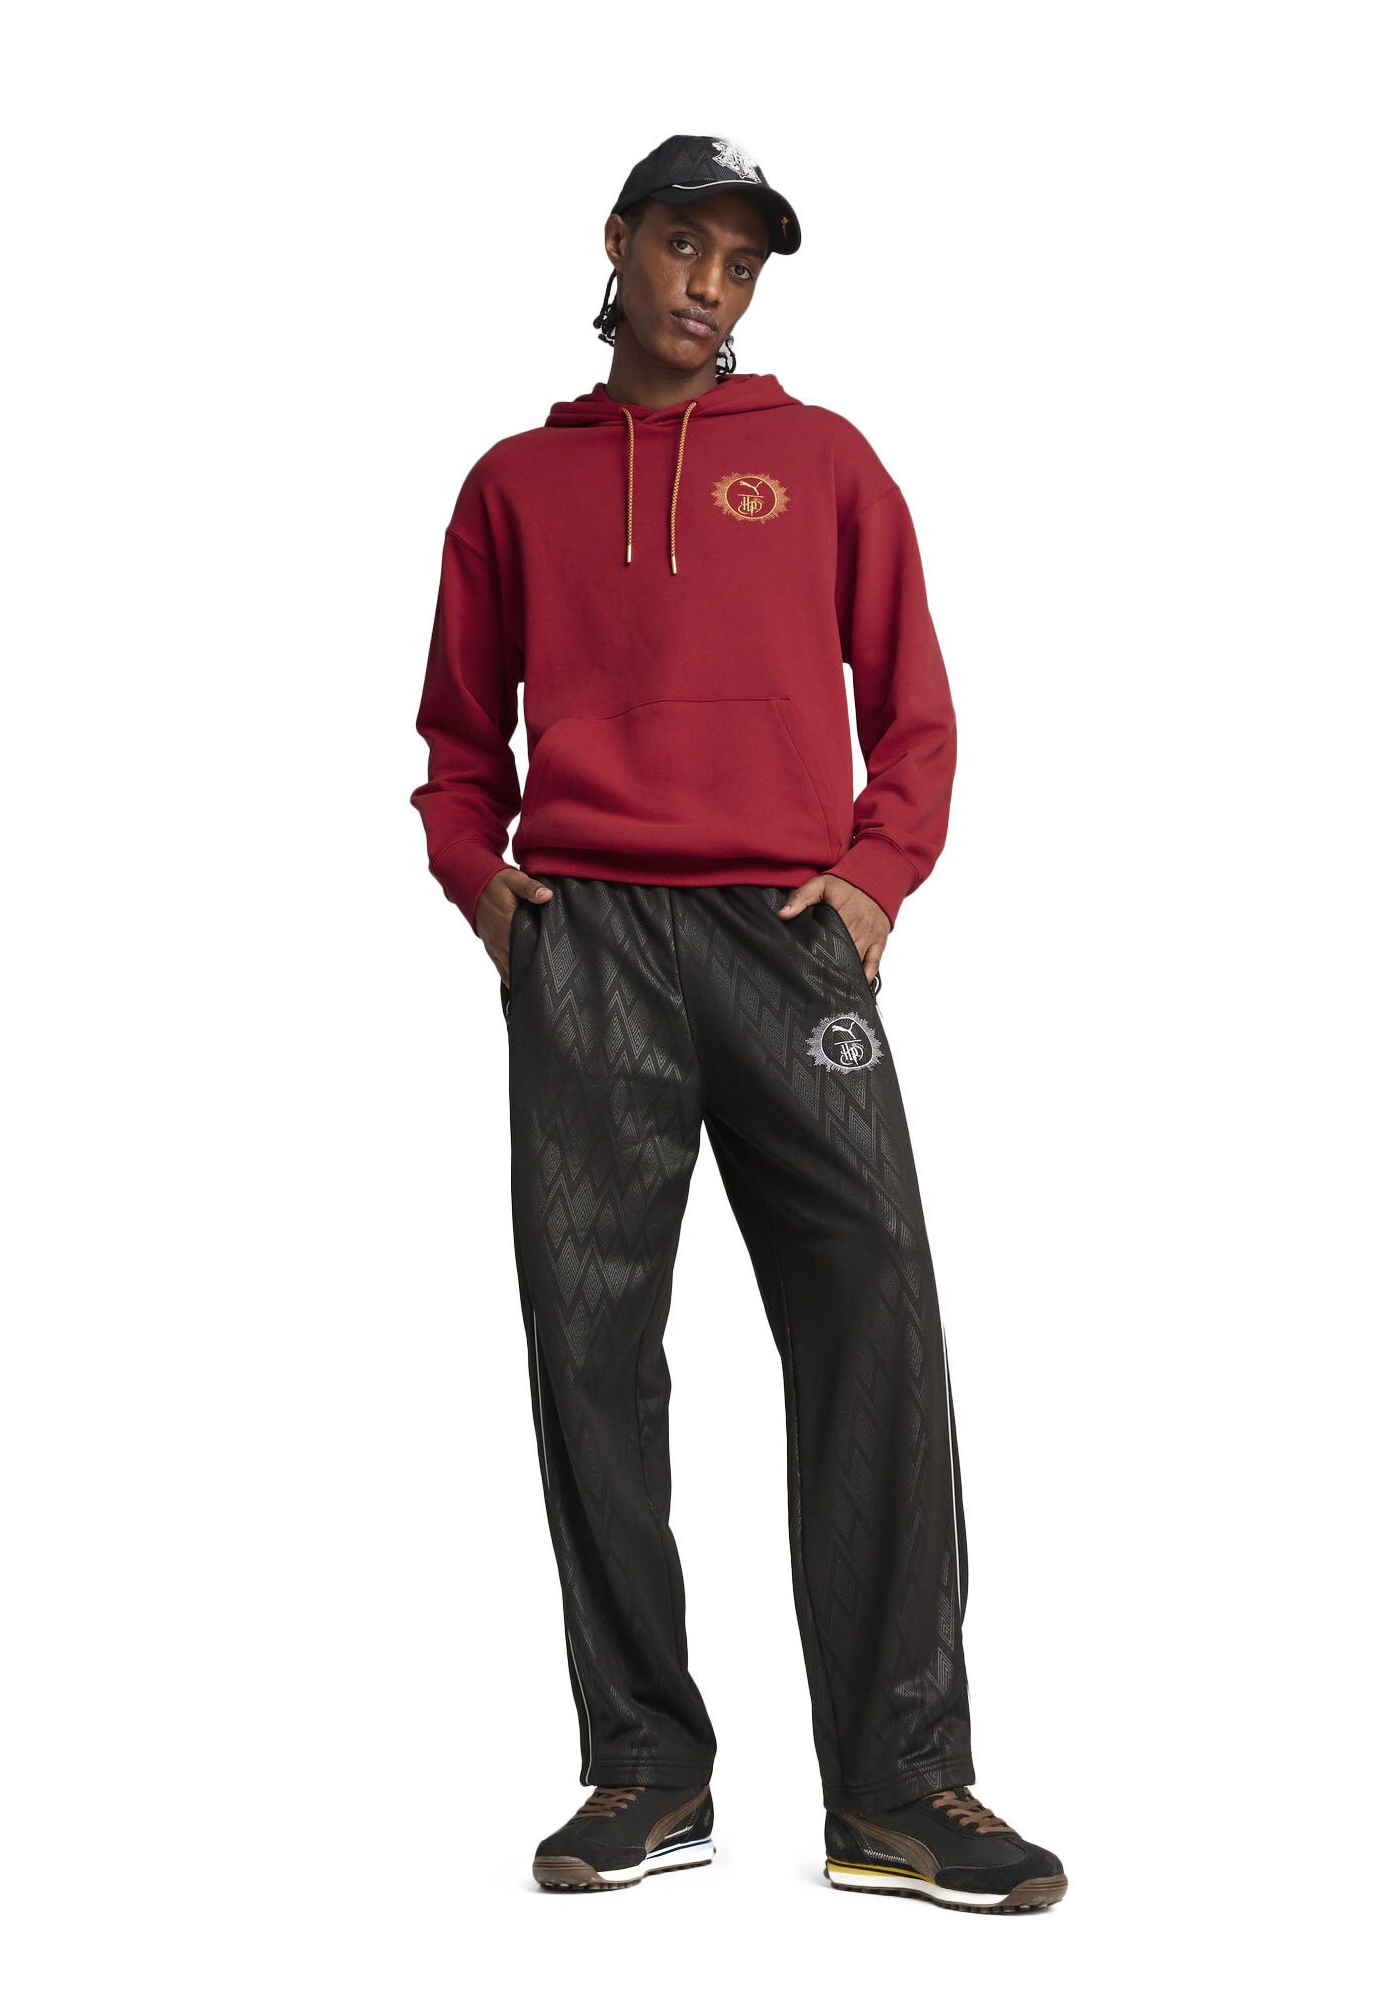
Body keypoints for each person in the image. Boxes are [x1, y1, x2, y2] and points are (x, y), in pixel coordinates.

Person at [410, 133, 1066, 1916]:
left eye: (741, 262)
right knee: (592, 1353)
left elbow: (915, 711)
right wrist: (487, 892)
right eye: (685, 246)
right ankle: (643, 1769)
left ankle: (900, 1786)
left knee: (876, 1320)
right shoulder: (513, 486)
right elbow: (458, 742)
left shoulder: (826, 460)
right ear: (618, 245)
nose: (710, 285)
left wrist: (873, 882)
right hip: (590, 945)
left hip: (788, 942)